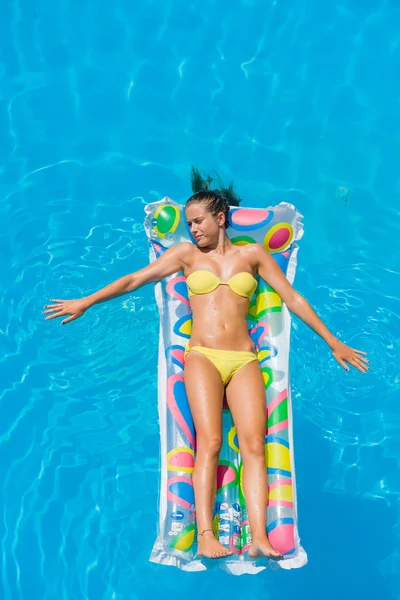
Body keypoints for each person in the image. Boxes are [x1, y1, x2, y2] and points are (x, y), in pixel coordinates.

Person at [43, 168, 369, 561]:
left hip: (245, 359)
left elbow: (292, 299)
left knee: (254, 446)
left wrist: (333, 341)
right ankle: (205, 534)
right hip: (202, 358)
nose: (192, 229)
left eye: (197, 222)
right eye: (188, 224)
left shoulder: (253, 256)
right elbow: (135, 280)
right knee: (211, 441)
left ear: (220, 218)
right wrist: (86, 301)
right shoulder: (184, 256)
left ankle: (260, 538)